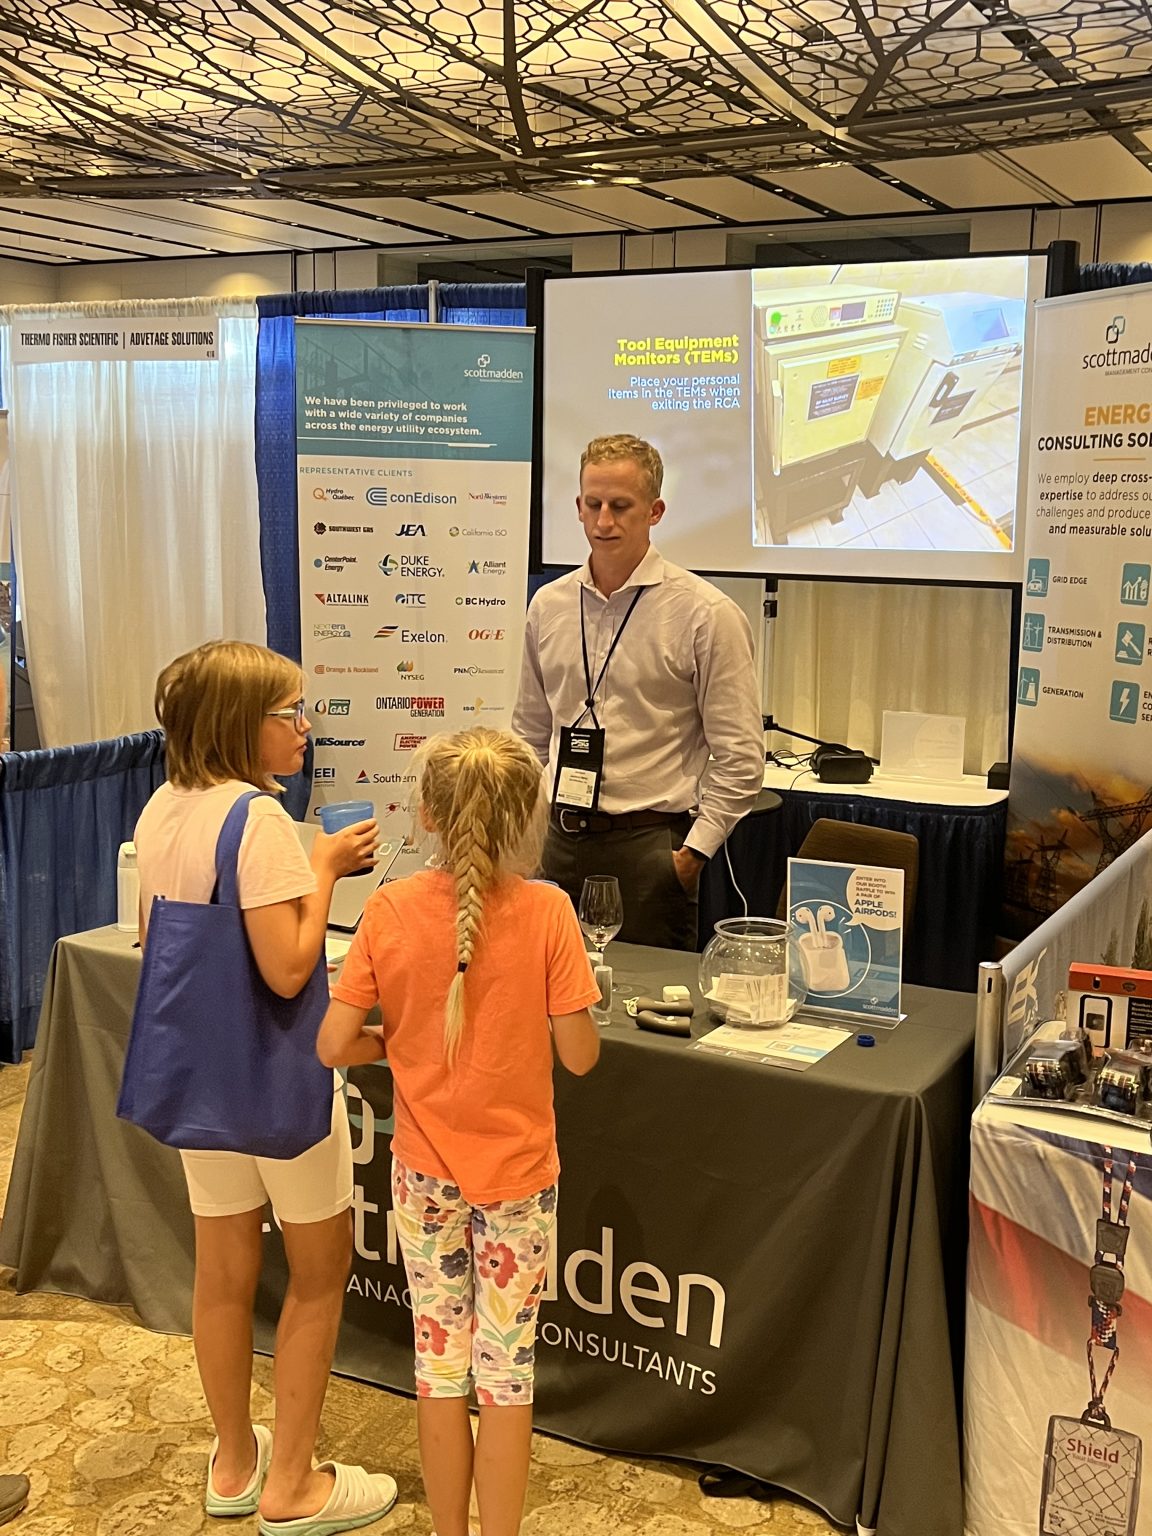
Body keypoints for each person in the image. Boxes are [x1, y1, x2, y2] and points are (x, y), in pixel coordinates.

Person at [134, 640, 398, 1536]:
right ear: (242, 724)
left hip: (202, 1083)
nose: (305, 726)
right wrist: (322, 868)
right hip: (282, 1082)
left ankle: (234, 1462)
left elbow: (157, 946)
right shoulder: (260, 823)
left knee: (221, 1272)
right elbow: (287, 971)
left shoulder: (164, 808)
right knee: (318, 1275)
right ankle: (292, 1485)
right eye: (290, 712)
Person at [317, 727, 601, 1536]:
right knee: (507, 1376)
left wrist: (395, 1045)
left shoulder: (388, 909)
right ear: (524, 818)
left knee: (438, 1366)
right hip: (518, 1179)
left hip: (424, 1176)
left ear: (427, 814)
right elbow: (580, 1057)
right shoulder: (548, 912)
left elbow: (333, 1044)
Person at [512, 433, 765, 949]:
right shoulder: (548, 605)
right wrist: (522, 834)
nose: (603, 521)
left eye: (621, 506)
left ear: (655, 511)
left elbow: (740, 756)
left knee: (645, 996)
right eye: (593, 504)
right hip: (553, 843)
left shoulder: (705, 614)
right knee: (545, 991)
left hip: (648, 849)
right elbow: (530, 736)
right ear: (577, 507)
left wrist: (692, 855)